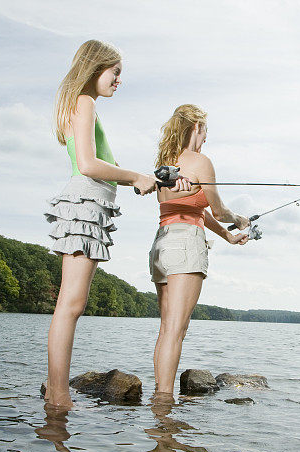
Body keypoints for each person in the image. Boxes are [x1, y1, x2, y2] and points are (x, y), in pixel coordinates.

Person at [44, 40, 191, 409]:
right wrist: (134, 176)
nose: (119, 80)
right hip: (87, 202)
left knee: (71, 304)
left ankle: (55, 388)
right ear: (96, 68)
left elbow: (95, 165)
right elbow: (89, 164)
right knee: (71, 305)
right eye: (116, 72)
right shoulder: (85, 102)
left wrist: (144, 180)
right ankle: (58, 394)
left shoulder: (76, 103)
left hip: (91, 202)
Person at [149, 104, 250, 398]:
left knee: (167, 328)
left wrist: (228, 237)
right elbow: (217, 210)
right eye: (205, 131)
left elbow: (197, 210)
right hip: (186, 244)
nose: (206, 138)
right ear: (197, 128)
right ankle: (164, 401)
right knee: (176, 331)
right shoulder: (201, 161)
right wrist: (238, 219)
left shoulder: (165, 164)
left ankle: (159, 395)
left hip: (162, 244)